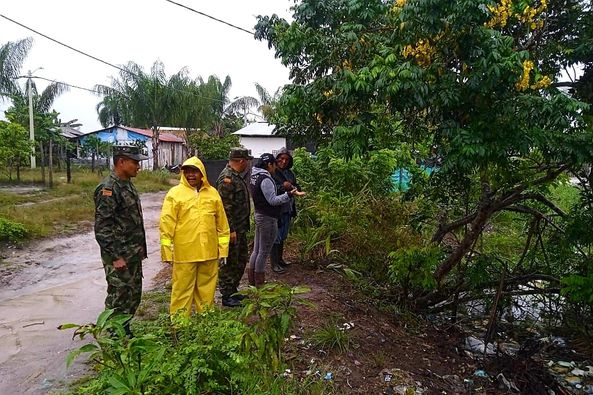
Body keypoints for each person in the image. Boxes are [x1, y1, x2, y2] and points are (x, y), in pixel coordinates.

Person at [160, 156, 230, 316]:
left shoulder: (213, 194)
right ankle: (180, 326)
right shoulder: (175, 194)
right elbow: (166, 223)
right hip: (185, 253)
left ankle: (205, 323)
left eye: (195, 172)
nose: (191, 175)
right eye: (187, 172)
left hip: (209, 253)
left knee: (207, 291)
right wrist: (166, 251)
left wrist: (223, 250)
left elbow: (222, 225)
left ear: (202, 173)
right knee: (182, 291)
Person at [94, 144, 148, 336]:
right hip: (119, 256)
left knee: (133, 295)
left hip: (132, 253)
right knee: (119, 295)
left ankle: (124, 329)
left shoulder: (126, 184)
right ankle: (115, 334)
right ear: (121, 162)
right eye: (134, 162)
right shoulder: (109, 188)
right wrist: (115, 257)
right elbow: (102, 228)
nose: (138, 167)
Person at [248, 153, 305, 287]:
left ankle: (253, 281)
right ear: (269, 165)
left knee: (257, 250)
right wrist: (289, 194)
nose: (276, 167)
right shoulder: (266, 179)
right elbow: (273, 200)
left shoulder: (254, 176)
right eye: (275, 164)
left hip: (260, 214)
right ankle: (259, 284)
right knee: (263, 251)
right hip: (267, 217)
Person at [216, 147, 253, 307]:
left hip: (240, 228)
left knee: (240, 259)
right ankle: (226, 295)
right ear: (241, 161)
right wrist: (230, 230)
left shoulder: (236, 176)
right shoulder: (227, 179)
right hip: (232, 230)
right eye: (247, 161)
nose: (249, 164)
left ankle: (233, 291)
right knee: (229, 262)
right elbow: (225, 208)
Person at [271, 148, 301, 273]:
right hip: (277, 208)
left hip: (288, 208)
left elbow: (296, 185)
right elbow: (271, 189)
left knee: (283, 235)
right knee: (276, 237)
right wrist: (284, 187)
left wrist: (295, 188)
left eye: (286, 159)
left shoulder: (290, 173)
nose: (283, 161)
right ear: (276, 159)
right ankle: (274, 263)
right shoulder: (272, 173)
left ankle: (280, 259)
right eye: (281, 159)